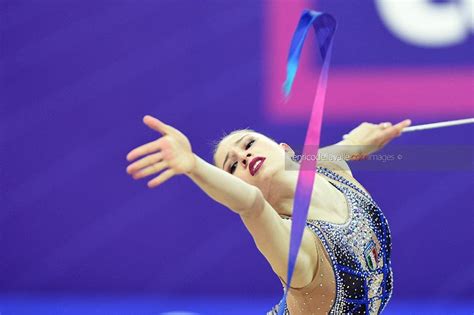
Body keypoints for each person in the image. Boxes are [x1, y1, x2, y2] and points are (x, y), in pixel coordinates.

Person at [126, 115, 412, 314]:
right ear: (233, 185)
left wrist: (357, 142)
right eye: (232, 166)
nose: (243, 157)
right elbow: (251, 204)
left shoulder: (331, 170)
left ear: (284, 149)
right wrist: (194, 166)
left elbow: (320, 157)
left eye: (248, 144)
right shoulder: (296, 244)